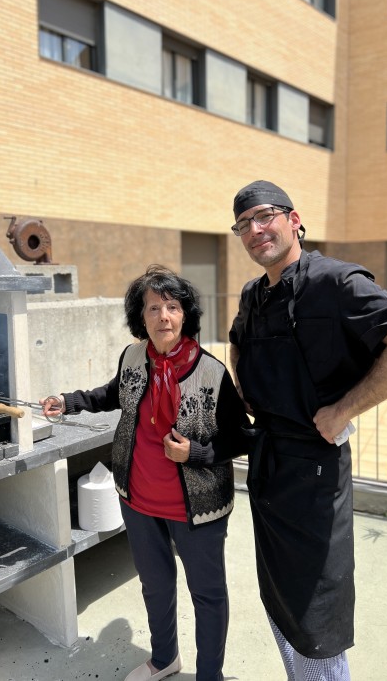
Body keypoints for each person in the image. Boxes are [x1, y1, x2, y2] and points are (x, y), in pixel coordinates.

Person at [228, 179, 387, 681]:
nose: (255, 230)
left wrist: (344, 409)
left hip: (316, 473)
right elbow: (236, 342)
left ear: (294, 221)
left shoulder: (334, 282)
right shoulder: (253, 294)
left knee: (318, 610)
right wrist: (245, 388)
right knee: (278, 593)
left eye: (265, 216)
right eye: (244, 224)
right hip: (268, 465)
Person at [41, 265, 250, 681]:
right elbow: (113, 393)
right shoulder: (134, 356)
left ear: (186, 314)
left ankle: (210, 674)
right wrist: (70, 401)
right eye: (153, 308)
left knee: (207, 594)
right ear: (141, 316)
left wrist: (196, 452)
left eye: (172, 307)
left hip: (197, 509)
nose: (163, 317)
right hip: (138, 499)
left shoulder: (211, 372)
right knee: (155, 586)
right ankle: (164, 658)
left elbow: (243, 438)